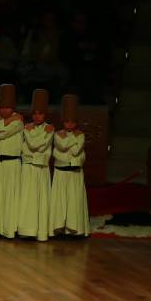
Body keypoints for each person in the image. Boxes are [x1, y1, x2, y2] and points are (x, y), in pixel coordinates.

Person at [0, 83, 23, 239]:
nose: (4, 110)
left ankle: (8, 229)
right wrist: (3, 122)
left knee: (9, 197)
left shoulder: (18, 122)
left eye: (8, 107)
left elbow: (2, 134)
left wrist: (1, 124)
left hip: (11, 163)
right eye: (2, 107)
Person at [50, 94, 89, 237]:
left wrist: (67, 146)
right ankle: (59, 228)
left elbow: (76, 150)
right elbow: (61, 145)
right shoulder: (58, 134)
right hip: (61, 172)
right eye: (67, 122)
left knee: (74, 201)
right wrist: (70, 142)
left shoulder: (81, 135)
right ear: (63, 122)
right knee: (60, 202)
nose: (70, 125)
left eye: (72, 122)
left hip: (75, 173)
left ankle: (73, 230)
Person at [19, 89, 54, 241]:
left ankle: (40, 231)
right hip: (28, 166)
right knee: (28, 199)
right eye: (35, 113)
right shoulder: (27, 127)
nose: (37, 116)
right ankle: (26, 230)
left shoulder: (50, 128)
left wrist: (36, 141)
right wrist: (38, 138)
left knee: (41, 199)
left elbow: (40, 145)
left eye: (40, 113)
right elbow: (33, 145)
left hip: (41, 167)